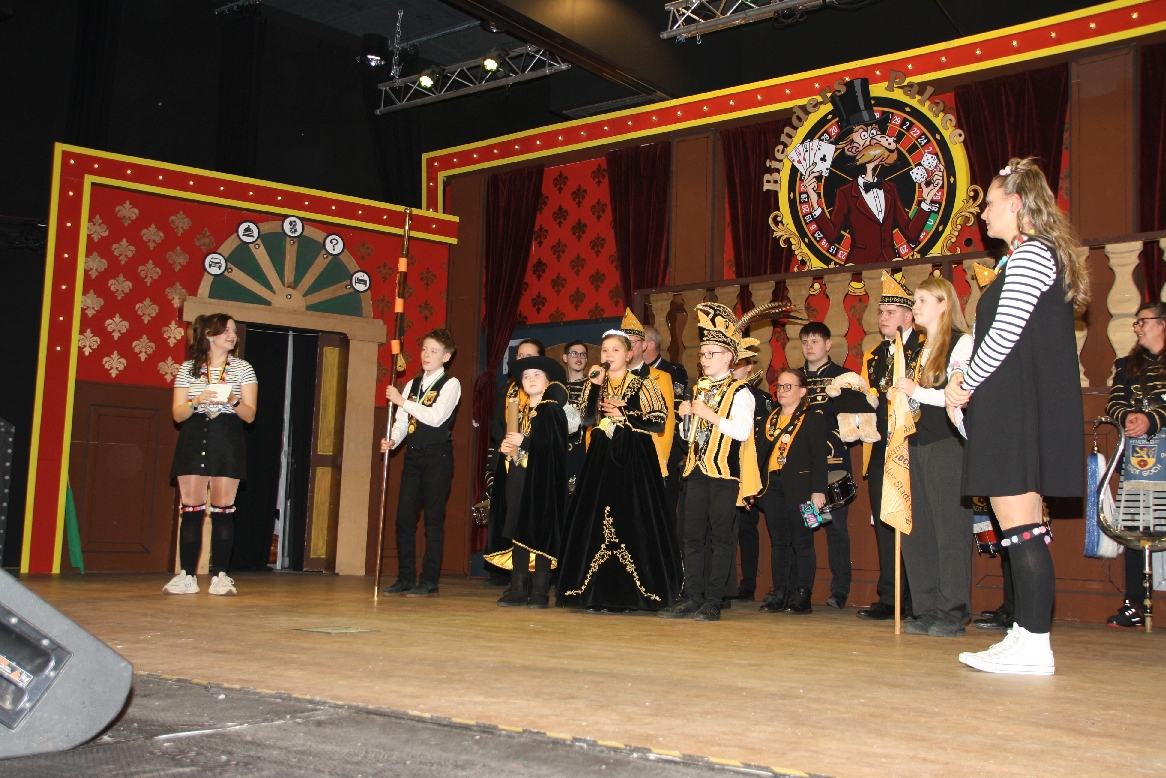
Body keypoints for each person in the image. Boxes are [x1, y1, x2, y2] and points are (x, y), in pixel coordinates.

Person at [947, 157, 1089, 675]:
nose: (982, 214)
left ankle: (1033, 645)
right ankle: (1027, 634)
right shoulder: (1025, 257)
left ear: (1016, 203)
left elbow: (1003, 335)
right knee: (1020, 529)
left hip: (1016, 409)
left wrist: (966, 383)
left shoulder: (1031, 256)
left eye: (989, 204)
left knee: (1020, 528)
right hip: (1015, 405)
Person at [556, 332, 680, 612]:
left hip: (634, 458)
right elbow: (587, 419)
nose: (608, 355)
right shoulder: (595, 383)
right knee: (595, 519)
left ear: (628, 354)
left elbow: (658, 420)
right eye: (604, 350)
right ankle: (594, 592)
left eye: (615, 350)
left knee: (632, 519)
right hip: (601, 457)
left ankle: (633, 594)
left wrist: (626, 416)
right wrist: (594, 387)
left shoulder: (644, 382)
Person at [660, 303, 768, 622]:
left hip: (724, 474)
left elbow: (742, 431)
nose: (704, 359)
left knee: (722, 538)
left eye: (711, 354)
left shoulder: (741, 392)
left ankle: (714, 599)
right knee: (691, 537)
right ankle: (692, 595)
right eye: (703, 354)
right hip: (695, 472)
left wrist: (709, 414)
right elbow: (689, 438)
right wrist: (685, 418)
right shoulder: (699, 389)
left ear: (728, 357)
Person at [895, 277, 975, 637]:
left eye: (923, 300)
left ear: (944, 305)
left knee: (949, 529)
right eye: (915, 301)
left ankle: (952, 611)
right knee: (919, 530)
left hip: (947, 444)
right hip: (916, 443)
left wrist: (916, 392)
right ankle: (926, 608)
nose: (915, 307)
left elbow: (957, 396)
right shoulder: (919, 349)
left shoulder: (961, 343)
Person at [163, 313, 257, 597]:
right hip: (194, 437)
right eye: (226, 330)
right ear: (209, 335)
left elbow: (250, 416)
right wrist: (196, 401)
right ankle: (187, 576)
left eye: (234, 331)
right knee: (191, 511)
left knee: (223, 510)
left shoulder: (243, 368)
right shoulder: (188, 369)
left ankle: (221, 577)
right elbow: (178, 414)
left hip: (226, 439)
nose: (232, 335)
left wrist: (233, 400)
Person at [485, 356, 577, 608]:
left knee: (539, 532)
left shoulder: (551, 410)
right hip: (518, 477)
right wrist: (507, 447)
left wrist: (523, 442)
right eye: (526, 376)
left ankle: (539, 591)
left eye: (537, 375)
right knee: (517, 530)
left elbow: (554, 448)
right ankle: (517, 589)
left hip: (541, 484)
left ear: (548, 381)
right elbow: (516, 446)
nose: (531, 379)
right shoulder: (521, 411)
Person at [857, 272, 922, 620]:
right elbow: (867, 403)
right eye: (881, 311)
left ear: (909, 316)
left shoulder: (922, 349)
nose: (883, 317)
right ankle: (891, 596)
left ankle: (918, 598)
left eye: (891, 312)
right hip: (881, 449)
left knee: (914, 524)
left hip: (912, 448)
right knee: (885, 522)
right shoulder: (872, 356)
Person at [381, 329, 462, 597]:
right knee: (404, 518)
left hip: (437, 456)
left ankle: (429, 579)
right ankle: (405, 577)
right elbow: (403, 421)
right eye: (425, 349)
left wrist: (402, 401)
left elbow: (436, 417)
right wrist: (393, 440)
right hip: (414, 456)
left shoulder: (451, 384)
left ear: (446, 357)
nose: (427, 355)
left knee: (433, 520)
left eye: (434, 351)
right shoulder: (412, 385)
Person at [1104, 301, 1166, 628]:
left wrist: (1152, 419)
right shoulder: (1127, 366)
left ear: (1163, 323)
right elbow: (1115, 401)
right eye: (1136, 322)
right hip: (1140, 462)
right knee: (1134, 531)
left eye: (1144, 321)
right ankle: (1135, 605)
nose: (1138, 328)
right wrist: (1129, 416)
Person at [756, 370, 829, 614]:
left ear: (803, 390)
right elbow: (758, 456)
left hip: (803, 489)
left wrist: (818, 491)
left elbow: (819, 458)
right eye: (780, 386)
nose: (782, 391)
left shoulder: (812, 418)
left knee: (803, 541)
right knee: (779, 542)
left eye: (789, 386)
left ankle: (803, 594)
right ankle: (780, 593)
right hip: (772, 486)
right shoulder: (770, 419)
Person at [797, 321, 853, 609]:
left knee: (836, 528)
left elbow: (854, 423)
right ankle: (801, 589)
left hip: (833, 465)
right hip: (802, 468)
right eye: (805, 341)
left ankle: (840, 590)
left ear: (828, 344)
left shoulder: (844, 377)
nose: (809, 347)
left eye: (815, 341)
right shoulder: (795, 379)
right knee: (806, 526)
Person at [484, 338, 545, 587]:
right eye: (520, 356)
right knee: (511, 518)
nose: (524, 360)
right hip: (509, 460)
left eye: (530, 356)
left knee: (534, 521)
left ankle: (538, 583)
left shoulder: (549, 395)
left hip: (536, 464)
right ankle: (514, 580)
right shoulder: (507, 389)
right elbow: (496, 424)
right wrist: (507, 442)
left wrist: (524, 443)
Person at [727, 357, 773, 603]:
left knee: (747, 528)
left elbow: (765, 439)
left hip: (751, 469)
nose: (732, 369)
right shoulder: (718, 394)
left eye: (738, 365)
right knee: (723, 529)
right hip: (724, 468)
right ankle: (724, 585)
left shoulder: (761, 398)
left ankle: (748, 584)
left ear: (749, 368)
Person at [643, 324, 691, 523]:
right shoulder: (630, 372)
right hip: (641, 446)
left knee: (665, 509)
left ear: (648, 344)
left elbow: (675, 411)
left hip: (667, 446)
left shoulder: (672, 371)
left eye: (635, 341)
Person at [562, 339, 590, 483]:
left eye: (582, 354)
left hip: (585, 448)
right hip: (561, 449)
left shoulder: (594, 386)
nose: (579, 357)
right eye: (574, 353)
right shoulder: (557, 387)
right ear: (565, 357)